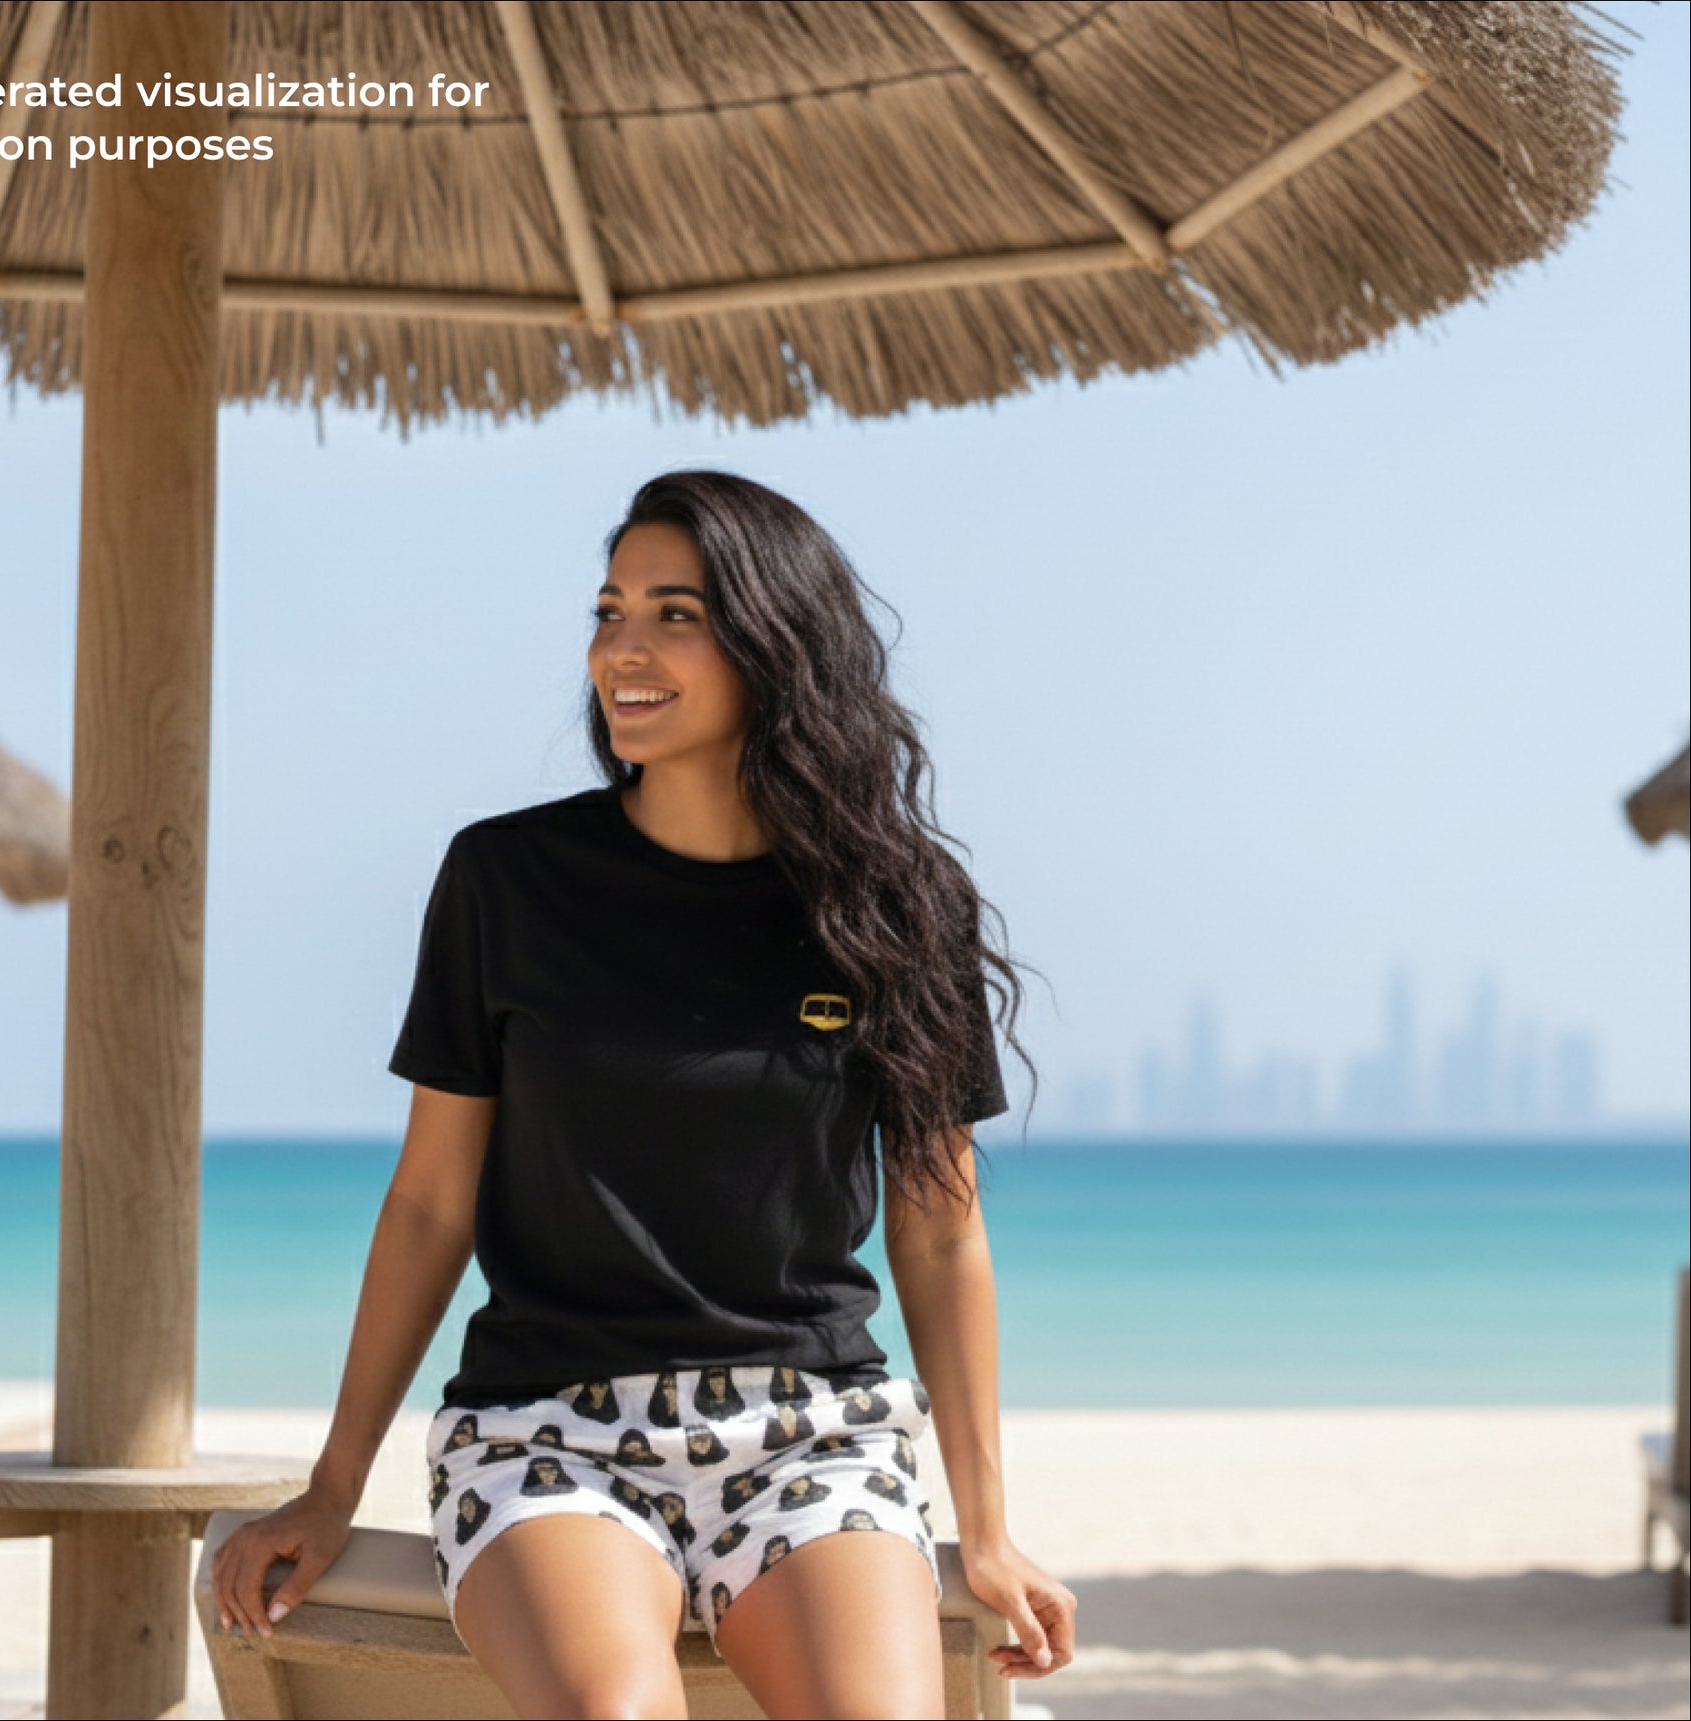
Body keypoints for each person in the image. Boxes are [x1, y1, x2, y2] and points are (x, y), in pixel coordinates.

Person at [211, 470, 1076, 1718]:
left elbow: (940, 1226)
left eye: (675, 612)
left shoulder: (898, 906)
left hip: (811, 1434)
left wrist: (986, 1530)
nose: (623, 645)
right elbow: (426, 1206)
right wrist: (332, 1481)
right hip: (543, 1435)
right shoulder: (504, 879)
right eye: (609, 608)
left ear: (774, 642)